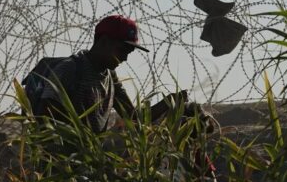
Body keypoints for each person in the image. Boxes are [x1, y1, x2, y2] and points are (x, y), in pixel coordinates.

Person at [35, 14, 186, 133]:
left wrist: (169, 101)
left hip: (90, 164)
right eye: (122, 50)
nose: (125, 58)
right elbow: (44, 121)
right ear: (104, 41)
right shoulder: (70, 69)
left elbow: (134, 117)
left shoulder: (110, 78)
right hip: (61, 165)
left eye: (129, 53)